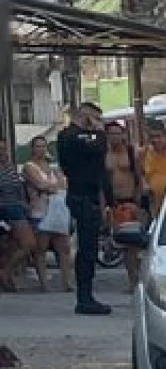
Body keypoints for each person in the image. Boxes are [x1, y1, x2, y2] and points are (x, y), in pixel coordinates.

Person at [56, 103, 113, 314]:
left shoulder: (76, 137)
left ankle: (86, 295)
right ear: (87, 117)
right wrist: (98, 131)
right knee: (87, 250)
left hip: (88, 196)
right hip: (83, 197)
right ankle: (84, 298)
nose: (99, 124)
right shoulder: (71, 136)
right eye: (96, 119)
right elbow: (98, 147)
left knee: (89, 248)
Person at [103, 117, 150, 290]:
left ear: (123, 135)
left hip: (131, 201)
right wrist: (105, 206)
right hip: (114, 203)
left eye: (117, 134)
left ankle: (139, 279)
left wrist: (138, 202)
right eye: (110, 134)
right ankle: (132, 280)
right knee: (124, 244)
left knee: (135, 244)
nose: (114, 137)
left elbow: (139, 177)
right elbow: (103, 182)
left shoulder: (131, 153)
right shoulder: (104, 155)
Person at [21, 135, 72, 290]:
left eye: (43, 146)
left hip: (57, 210)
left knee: (63, 247)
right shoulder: (29, 166)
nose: (41, 149)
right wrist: (52, 186)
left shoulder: (52, 166)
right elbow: (40, 184)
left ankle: (67, 282)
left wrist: (52, 186)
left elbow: (64, 184)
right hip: (40, 211)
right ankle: (44, 283)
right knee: (41, 247)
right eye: (38, 146)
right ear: (32, 149)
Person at [0, 152, 40, 289]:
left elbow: (19, 189)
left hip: (18, 208)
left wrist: (25, 204)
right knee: (29, 243)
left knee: (13, 245)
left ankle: (6, 273)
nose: (2, 153)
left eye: (4, 149)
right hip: (7, 209)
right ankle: (5, 271)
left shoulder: (10, 168)